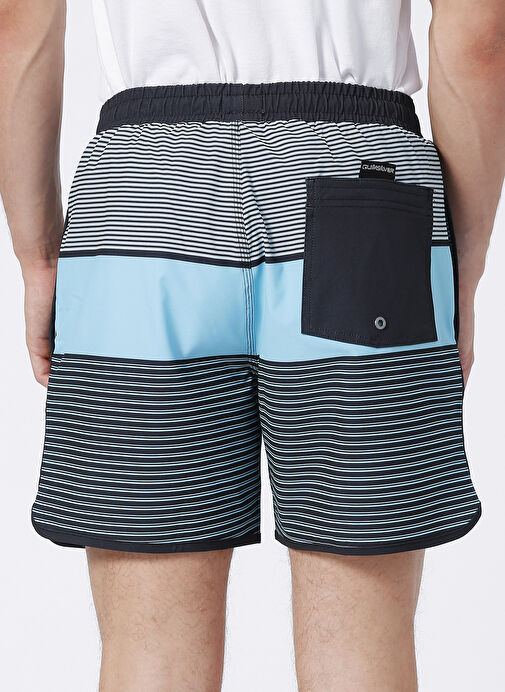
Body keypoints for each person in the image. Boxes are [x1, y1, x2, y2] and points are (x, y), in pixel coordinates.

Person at [0, 0, 504, 690]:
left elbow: (17, 24)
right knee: (360, 653)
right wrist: (463, 266)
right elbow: (479, 39)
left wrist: (36, 257)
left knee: (151, 656)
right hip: (363, 187)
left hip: (145, 197)